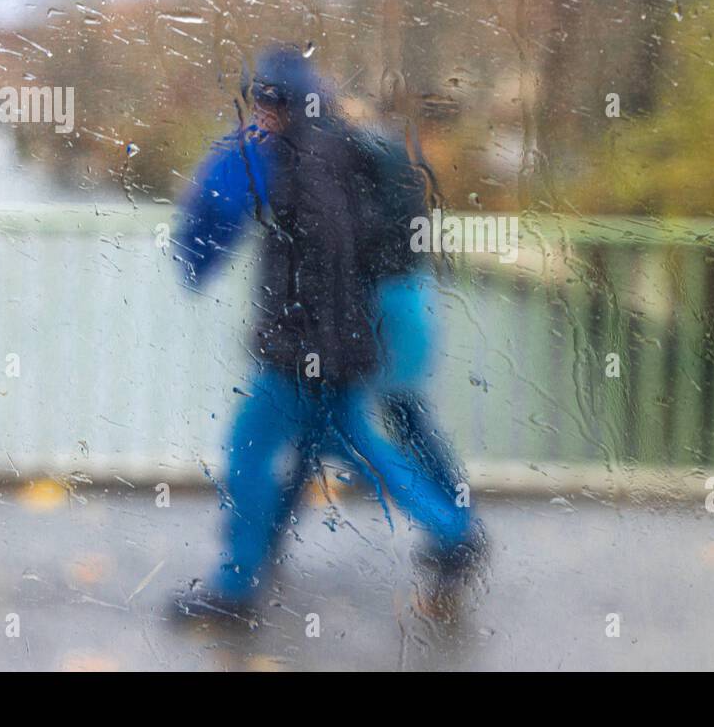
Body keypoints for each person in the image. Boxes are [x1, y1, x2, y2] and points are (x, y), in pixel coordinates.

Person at [171, 44, 484, 621]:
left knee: (249, 452)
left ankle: (236, 590)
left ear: (280, 102)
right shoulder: (331, 150)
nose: (257, 113)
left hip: (307, 354)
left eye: (264, 100)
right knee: (358, 448)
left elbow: (325, 260)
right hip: (337, 348)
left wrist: (300, 344)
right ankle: (452, 532)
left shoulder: (300, 162)